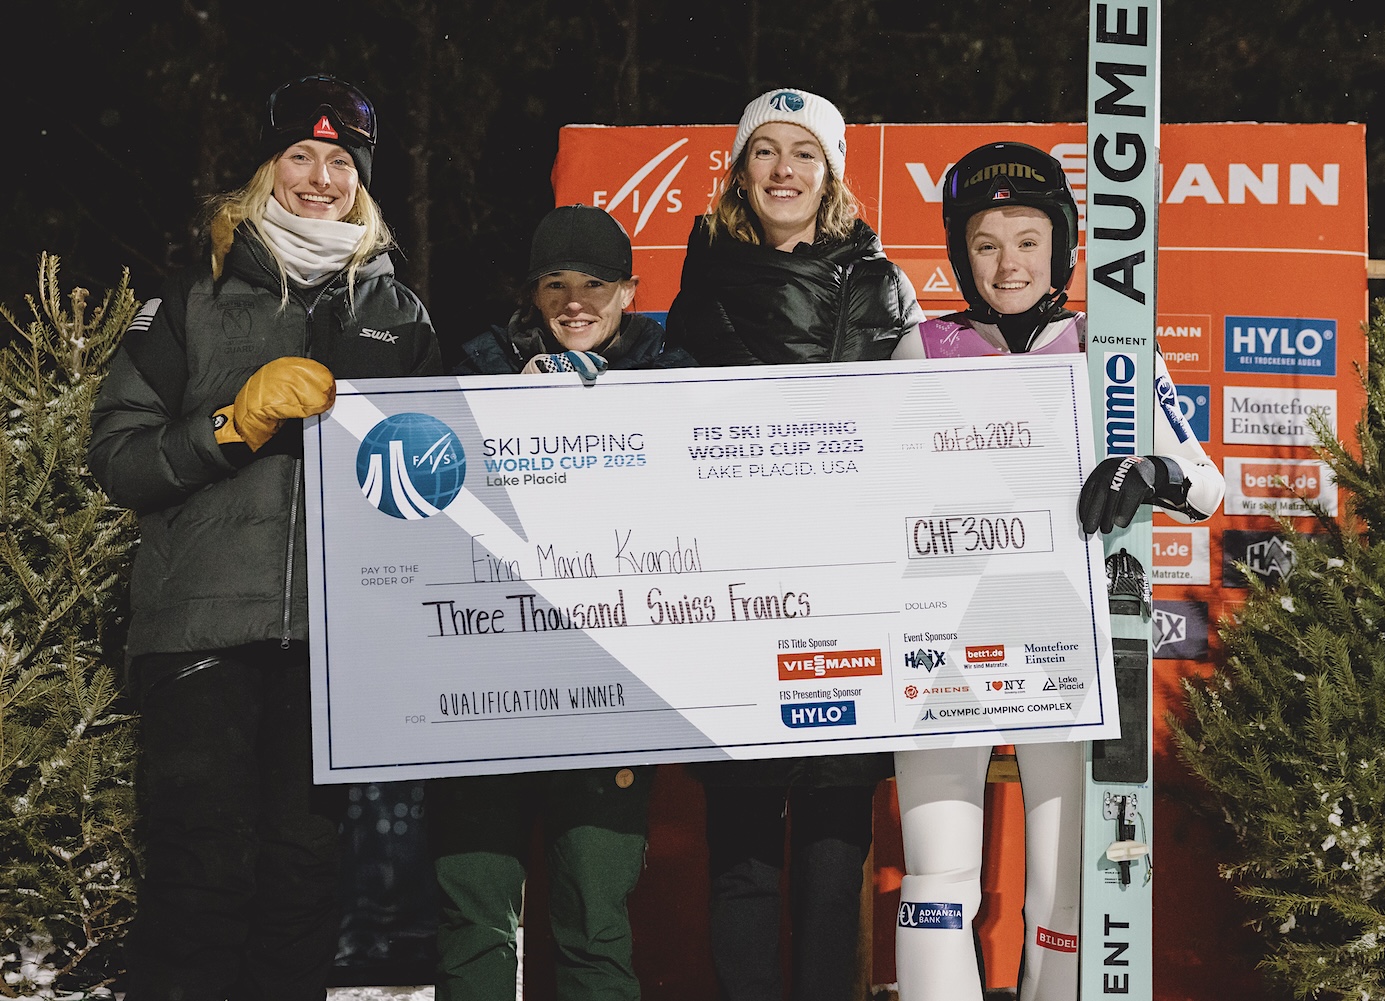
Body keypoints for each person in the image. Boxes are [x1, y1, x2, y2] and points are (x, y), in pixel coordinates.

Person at [88, 74, 442, 1000]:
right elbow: (117, 457)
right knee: (202, 873)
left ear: (361, 181)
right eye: (300, 156)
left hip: (331, 644)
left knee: (301, 877)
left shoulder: (398, 315)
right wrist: (228, 427)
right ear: (267, 169)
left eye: (341, 162)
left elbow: (440, 481)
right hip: (201, 635)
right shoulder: (192, 300)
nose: (321, 178)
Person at [888, 141, 1226, 1001]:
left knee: (1062, 890)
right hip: (945, 644)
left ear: (1063, 247)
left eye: (1028, 240)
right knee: (935, 882)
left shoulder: (1110, 345)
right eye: (986, 243)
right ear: (960, 252)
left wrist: (1148, 471)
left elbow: (1205, 484)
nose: (1008, 263)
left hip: (1061, 643)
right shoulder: (922, 346)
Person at [666, 87, 922, 1001]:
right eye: (765, 151)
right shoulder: (699, 283)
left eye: (804, 152)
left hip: (846, 601)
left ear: (832, 173)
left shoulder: (883, 284)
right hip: (737, 599)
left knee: (831, 855)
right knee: (741, 853)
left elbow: (918, 430)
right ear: (740, 172)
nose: (784, 170)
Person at [426, 204, 694, 1001]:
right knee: (474, 916)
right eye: (555, 285)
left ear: (630, 292)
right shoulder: (474, 367)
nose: (575, 302)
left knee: (594, 918)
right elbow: (428, 510)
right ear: (532, 294)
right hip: (482, 683)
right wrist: (502, 413)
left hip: (605, 686)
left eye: (595, 284)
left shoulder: (676, 377)